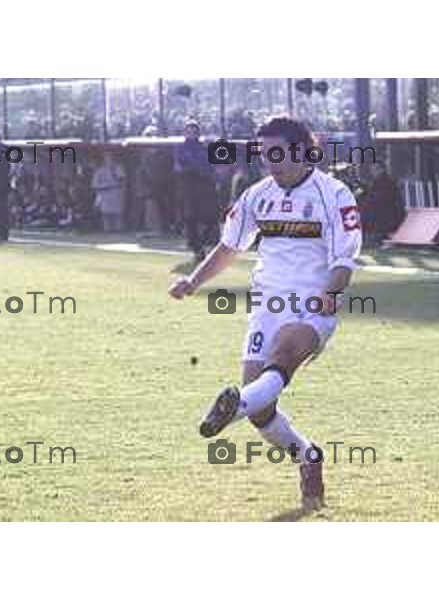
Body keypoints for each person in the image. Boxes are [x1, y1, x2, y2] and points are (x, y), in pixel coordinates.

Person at [168, 117, 362, 510]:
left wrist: (332, 291)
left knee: (287, 353)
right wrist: (193, 281)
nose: (268, 160)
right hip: (267, 305)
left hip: (313, 302)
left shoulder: (334, 193)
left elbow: (345, 258)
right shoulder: (257, 195)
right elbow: (228, 248)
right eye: (263, 152)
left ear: (300, 149)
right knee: (263, 412)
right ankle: (307, 455)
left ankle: (234, 405)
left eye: (276, 151)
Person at [174, 119, 219, 263]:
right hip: (189, 184)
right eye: (189, 131)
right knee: (190, 217)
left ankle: (202, 243)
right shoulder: (181, 148)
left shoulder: (205, 147)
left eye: (194, 131)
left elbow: (211, 166)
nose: (192, 134)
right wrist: (192, 168)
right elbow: (179, 166)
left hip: (205, 184)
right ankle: (196, 248)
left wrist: (210, 175)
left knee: (210, 217)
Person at [91, 152, 126, 232]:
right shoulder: (99, 171)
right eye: (106, 157)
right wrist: (105, 185)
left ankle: (119, 232)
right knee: (106, 217)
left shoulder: (118, 168)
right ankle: (107, 232)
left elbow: (122, 181)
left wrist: (116, 181)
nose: (109, 159)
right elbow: (94, 184)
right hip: (105, 197)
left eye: (110, 157)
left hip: (116, 196)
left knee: (117, 216)